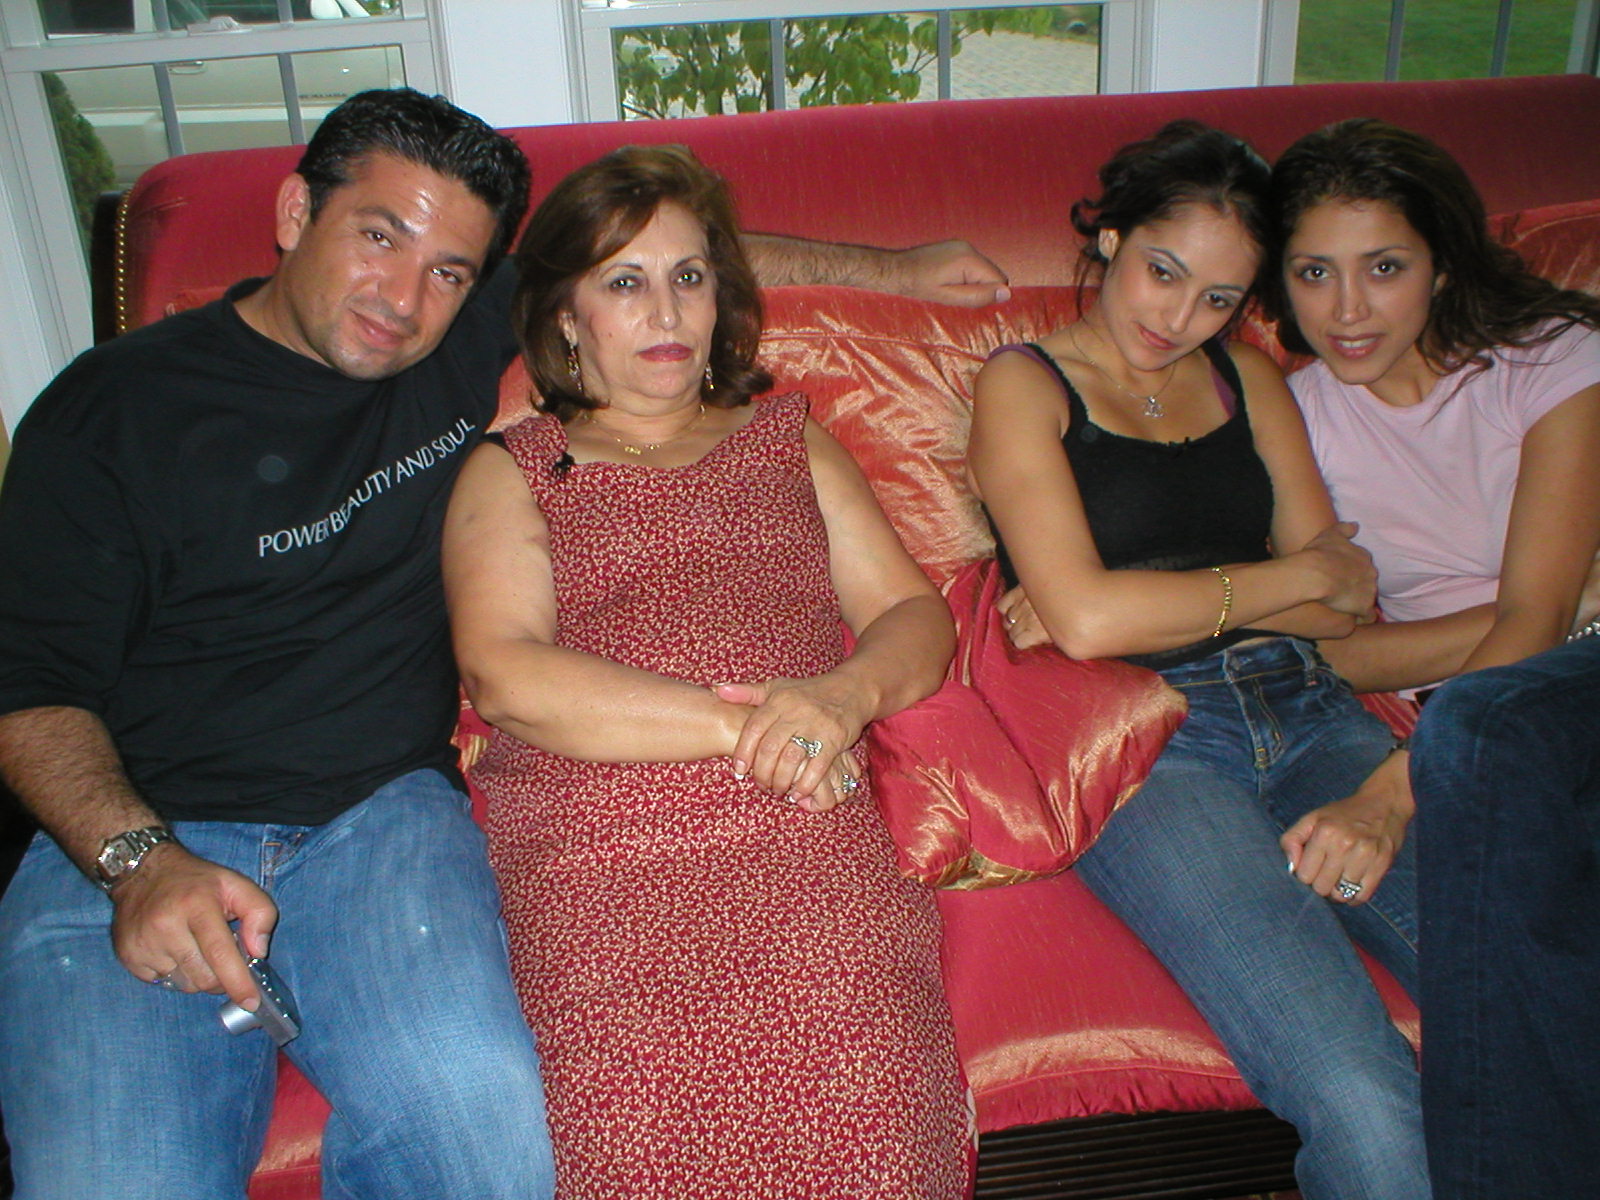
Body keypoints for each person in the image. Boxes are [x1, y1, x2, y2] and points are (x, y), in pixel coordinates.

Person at [0, 87, 1006, 1198]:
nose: (403, 298)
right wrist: (139, 863)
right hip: (143, 826)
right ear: (294, 214)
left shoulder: (473, 344)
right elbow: (27, 690)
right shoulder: (112, 409)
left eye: (449, 271)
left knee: (485, 1142)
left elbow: (672, 254)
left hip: (379, 824)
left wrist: (899, 270)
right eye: (378, 236)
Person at [440, 144, 971, 1198]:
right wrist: (750, 726)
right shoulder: (514, 467)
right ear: (565, 316)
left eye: (689, 277)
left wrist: (842, 697)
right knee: (629, 1137)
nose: (666, 311)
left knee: (872, 1115)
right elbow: (504, 675)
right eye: (624, 283)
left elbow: (913, 614)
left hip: (802, 819)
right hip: (601, 845)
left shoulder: (786, 440)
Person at [967, 121, 1428, 1200]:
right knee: (1358, 1087)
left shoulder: (1248, 378)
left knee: (1535, 983)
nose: (1178, 319)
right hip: (1150, 746)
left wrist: (1181, 595)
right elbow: (1088, 622)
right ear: (1111, 238)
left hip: (1315, 714)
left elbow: (1345, 598)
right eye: (1162, 271)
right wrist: (1280, 579)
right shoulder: (1025, 385)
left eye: (1218, 297)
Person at [1267, 118, 1600, 1200]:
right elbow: (1331, 655)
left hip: (1538, 705)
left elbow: (1533, 627)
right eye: (1313, 272)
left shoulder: (1552, 360)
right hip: (1498, 739)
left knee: (1478, 728)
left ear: (1442, 264)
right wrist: (1547, 606)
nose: (1346, 310)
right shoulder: (1295, 419)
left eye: (1384, 268)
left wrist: (1388, 793)